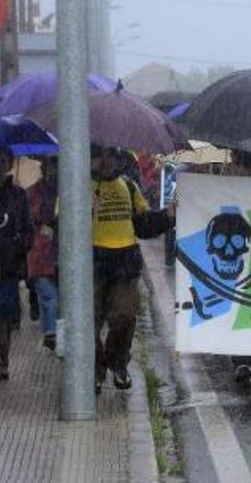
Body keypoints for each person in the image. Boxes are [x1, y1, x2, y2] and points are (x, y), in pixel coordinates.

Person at [92, 145, 174, 392]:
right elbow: (62, 227)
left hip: (124, 263)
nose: (106, 162)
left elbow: (144, 225)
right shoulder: (76, 185)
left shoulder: (129, 186)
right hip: (91, 263)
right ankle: (94, 370)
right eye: (99, 156)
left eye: (111, 156)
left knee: (125, 318)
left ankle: (117, 363)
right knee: (89, 322)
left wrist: (168, 216)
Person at [0, 146, 33, 380]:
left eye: (2, 160)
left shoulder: (19, 195)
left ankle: (2, 359)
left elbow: (28, 231)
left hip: (8, 268)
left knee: (4, 315)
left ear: (9, 164)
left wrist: (17, 244)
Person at [27, 157, 60, 351]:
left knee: (58, 300)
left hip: (62, 253)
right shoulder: (35, 191)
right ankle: (50, 334)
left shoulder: (69, 189)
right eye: (51, 165)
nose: (53, 170)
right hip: (41, 253)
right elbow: (30, 217)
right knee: (49, 298)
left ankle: (56, 335)